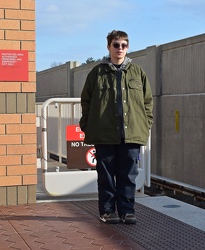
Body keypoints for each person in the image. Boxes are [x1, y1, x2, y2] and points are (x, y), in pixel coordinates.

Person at [79, 30, 153, 224]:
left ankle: (127, 211)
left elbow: (147, 102)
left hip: (131, 134)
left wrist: (146, 124)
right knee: (106, 175)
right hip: (104, 133)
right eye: (116, 45)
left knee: (128, 175)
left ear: (128, 47)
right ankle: (107, 211)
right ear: (109, 47)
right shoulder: (97, 73)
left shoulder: (138, 73)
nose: (120, 48)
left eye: (124, 45)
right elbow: (86, 100)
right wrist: (87, 125)